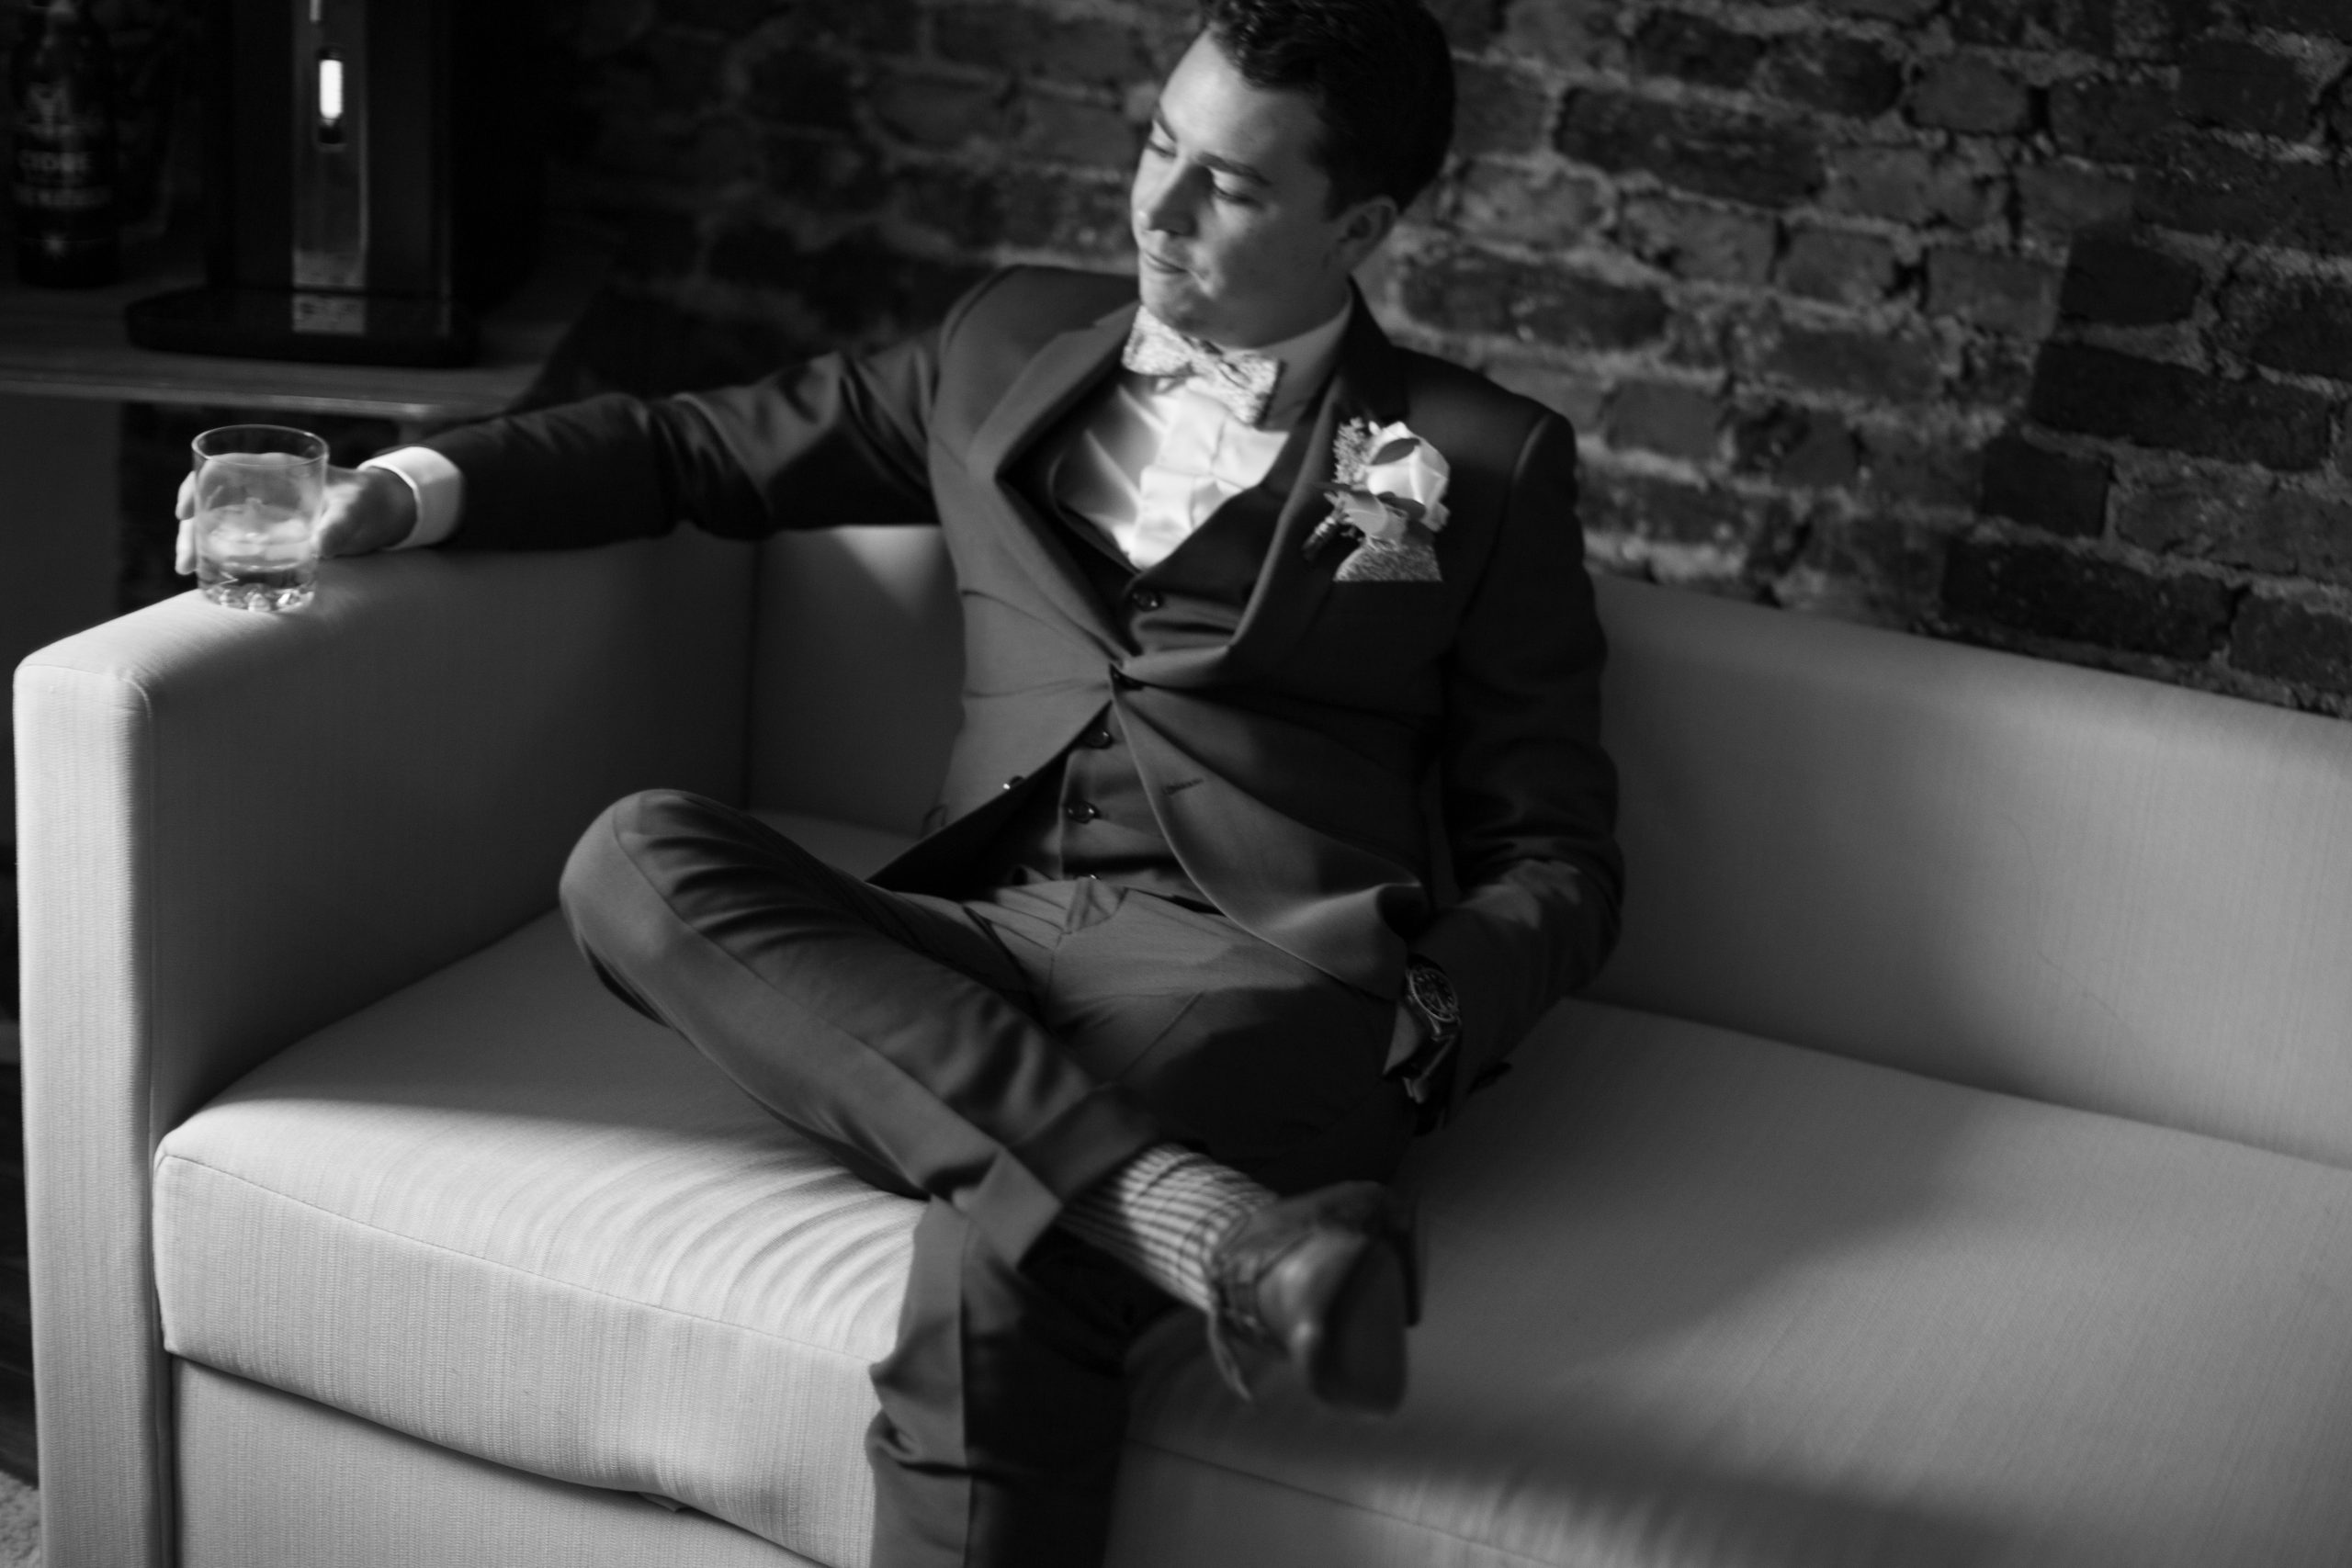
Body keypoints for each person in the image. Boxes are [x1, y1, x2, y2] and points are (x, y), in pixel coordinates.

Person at [177, 2, 1622, 1562]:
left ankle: (1105, 1193)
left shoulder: (1478, 460)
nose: (1158, 208)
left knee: (1002, 1260)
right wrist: (394, 494)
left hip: (1257, 971)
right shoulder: (1005, 341)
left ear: (1361, 226)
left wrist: (1428, 1025)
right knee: (632, 857)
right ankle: (1213, 1231)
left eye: (1232, 185)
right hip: (976, 936)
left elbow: (1557, 851)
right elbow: (691, 449)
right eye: (1158, 145)